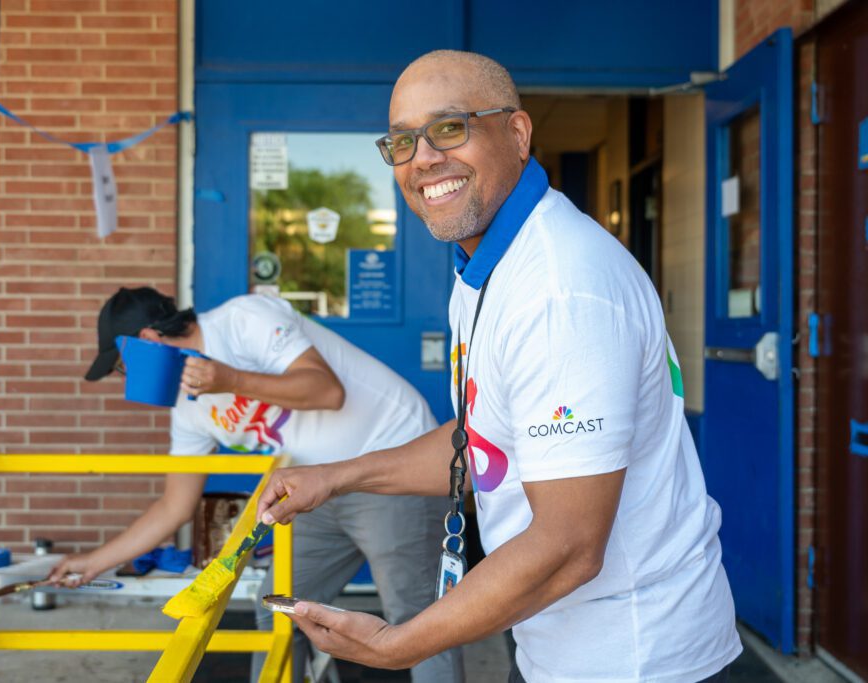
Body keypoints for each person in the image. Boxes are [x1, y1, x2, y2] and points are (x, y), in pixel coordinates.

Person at [257, 50, 742, 683]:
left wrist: (400, 644)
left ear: (517, 133)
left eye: (450, 128)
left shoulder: (561, 291)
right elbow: (485, 441)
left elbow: (569, 545)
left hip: (638, 659)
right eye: (402, 140)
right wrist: (337, 477)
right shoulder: (485, 264)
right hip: (555, 644)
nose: (423, 157)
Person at [49, 287, 464, 683]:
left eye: (122, 367)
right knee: (282, 612)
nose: (124, 382)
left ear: (145, 340)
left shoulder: (242, 319)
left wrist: (229, 379)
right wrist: (94, 561)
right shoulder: (187, 407)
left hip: (389, 459)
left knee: (416, 620)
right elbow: (175, 506)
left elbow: (327, 391)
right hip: (317, 486)